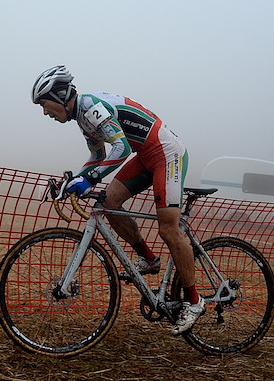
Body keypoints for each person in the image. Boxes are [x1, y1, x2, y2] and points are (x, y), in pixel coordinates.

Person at [31, 65, 205, 335]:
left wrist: (89, 179)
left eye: (44, 104)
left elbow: (121, 147)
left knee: (168, 228)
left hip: (166, 153)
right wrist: (74, 180)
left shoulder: (91, 107)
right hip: (146, 156)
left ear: (62, 95)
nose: (44, 112)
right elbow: (98, 157)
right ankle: (148, 259)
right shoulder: (82, 119)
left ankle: (194, 302)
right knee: (108, 203)